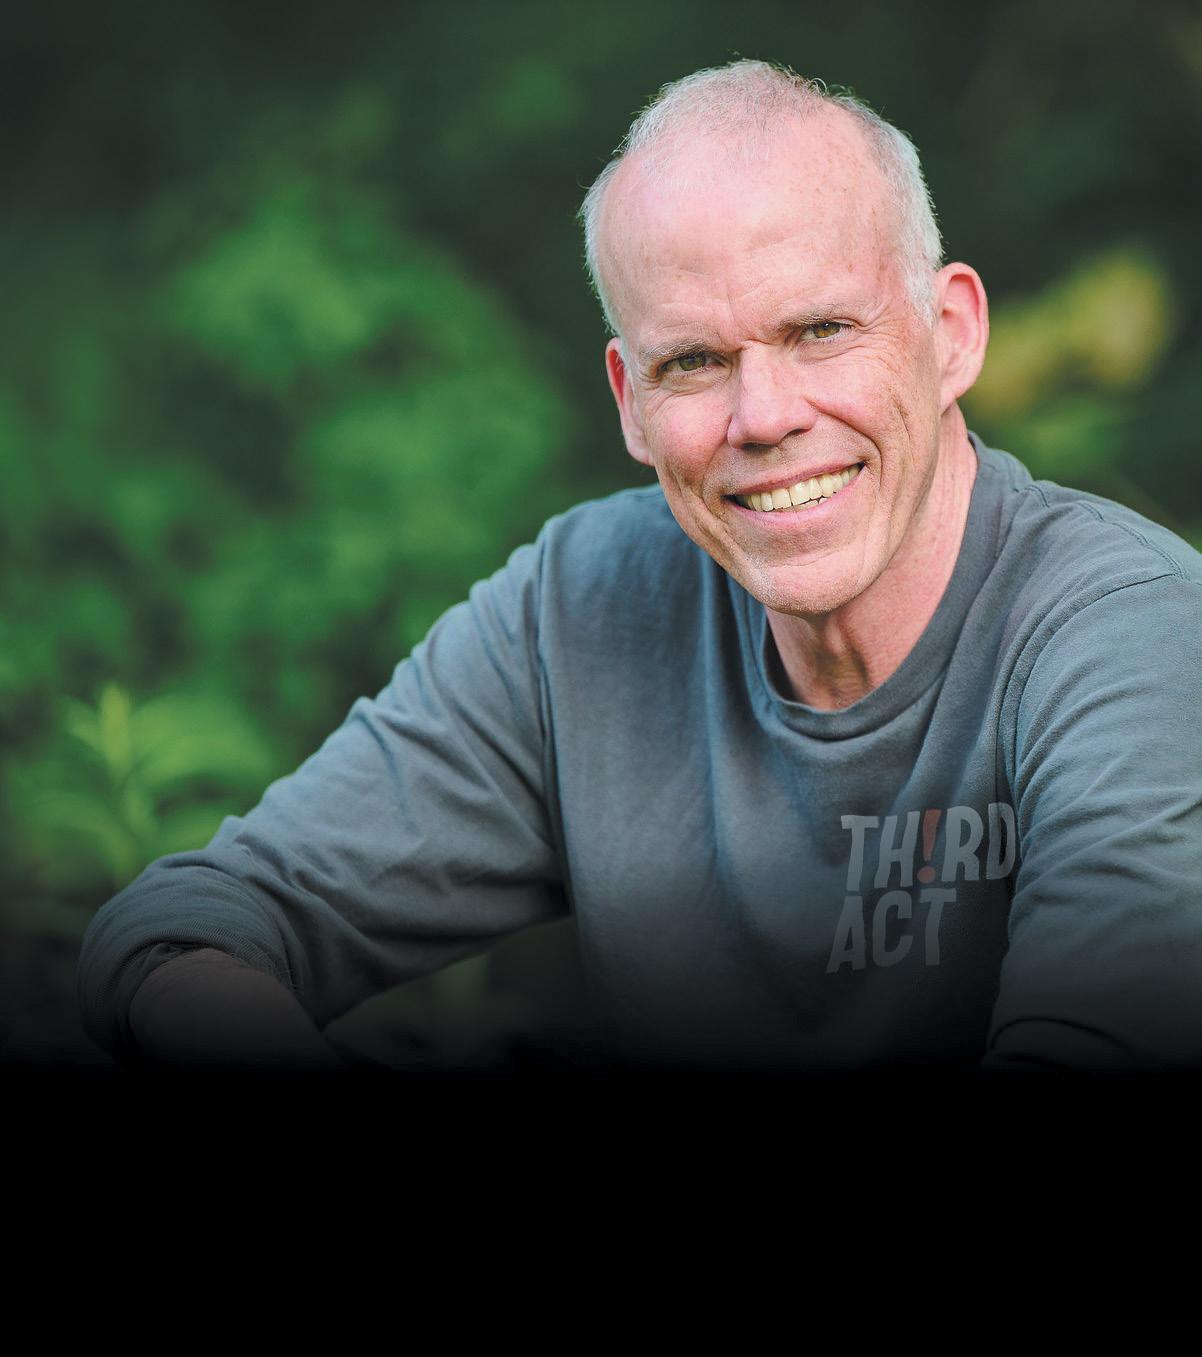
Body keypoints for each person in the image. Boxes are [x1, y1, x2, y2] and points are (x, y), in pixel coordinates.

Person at [77, 59, 1202, 1076]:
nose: (763, 415)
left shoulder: (1126, 632)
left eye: (819, 330)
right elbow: (181, 931)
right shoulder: (585, 611)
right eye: (695, 362)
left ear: (951, 332)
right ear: (629, 401)